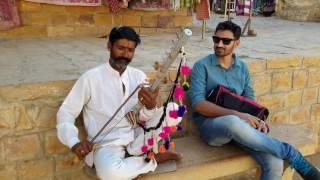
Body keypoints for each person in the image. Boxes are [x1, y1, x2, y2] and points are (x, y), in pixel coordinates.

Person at [188, 21, 320, 180]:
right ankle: (290, 153)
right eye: (216, 39)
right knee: (232, 121)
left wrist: (258, 121)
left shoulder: (242, 68)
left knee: (275, 162)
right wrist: (237, 114)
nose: (219, 44)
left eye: (226, 41)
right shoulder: (202, 66)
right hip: (212, 128)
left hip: (241, 130)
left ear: (237, 43)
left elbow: (250, 103)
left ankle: (285, 154)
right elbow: (198, 104)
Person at [56, 26, 180, 180]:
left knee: (174, 109)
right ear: (109, 46)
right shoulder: (90, 78)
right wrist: (74, 142)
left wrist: (150, 106)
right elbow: (66, 112)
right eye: (120, 48)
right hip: (107, 145)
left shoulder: (138, 76)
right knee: (110, 174)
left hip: (136, 136)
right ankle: (152, 159)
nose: (125, 55)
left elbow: (144, 118)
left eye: (130, 50)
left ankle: (137, 155)